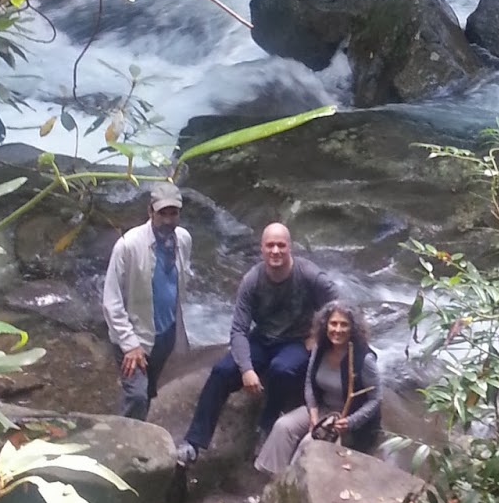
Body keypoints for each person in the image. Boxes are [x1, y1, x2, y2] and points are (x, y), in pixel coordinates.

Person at [176, 222, 335, 464]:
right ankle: (193, 442)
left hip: (296, 340)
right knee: (221, 372)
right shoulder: (252, 280)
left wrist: (317, 333)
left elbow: (340, 307)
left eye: (281, 245)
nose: (275, 251)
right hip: (262, 339)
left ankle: (266, 426)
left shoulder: (309, 275)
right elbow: (239, 329)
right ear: (262, 249)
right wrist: (247, 369)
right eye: (270, 245)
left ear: (290, 247)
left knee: (281, 370)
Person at [255, 298, 382, 476]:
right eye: (334, 324)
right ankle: (272, 482)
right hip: (321, 408)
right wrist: (313, 413)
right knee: (283, 426)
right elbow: (309, 382)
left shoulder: (364, 359)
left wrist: (350, 422)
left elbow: (375, 398)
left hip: (346, 417)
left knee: (310, 443)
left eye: (344, 325)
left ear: (353, 328)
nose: (338, 330)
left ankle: (288, 490)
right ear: (326, 325)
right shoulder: (320, 348)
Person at [102, 181, 191, 421]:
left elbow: (179, 284)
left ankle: (138, 432)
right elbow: (111, 300)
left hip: (165, 334)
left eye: (174, 213)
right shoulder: (128, 246)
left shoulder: (183, 240)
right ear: (150, 211)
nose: (169, 220)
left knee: (149, 392)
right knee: (137, 396)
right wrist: (130, 344)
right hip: (134, 336)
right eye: (163, 213)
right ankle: (128, 447)